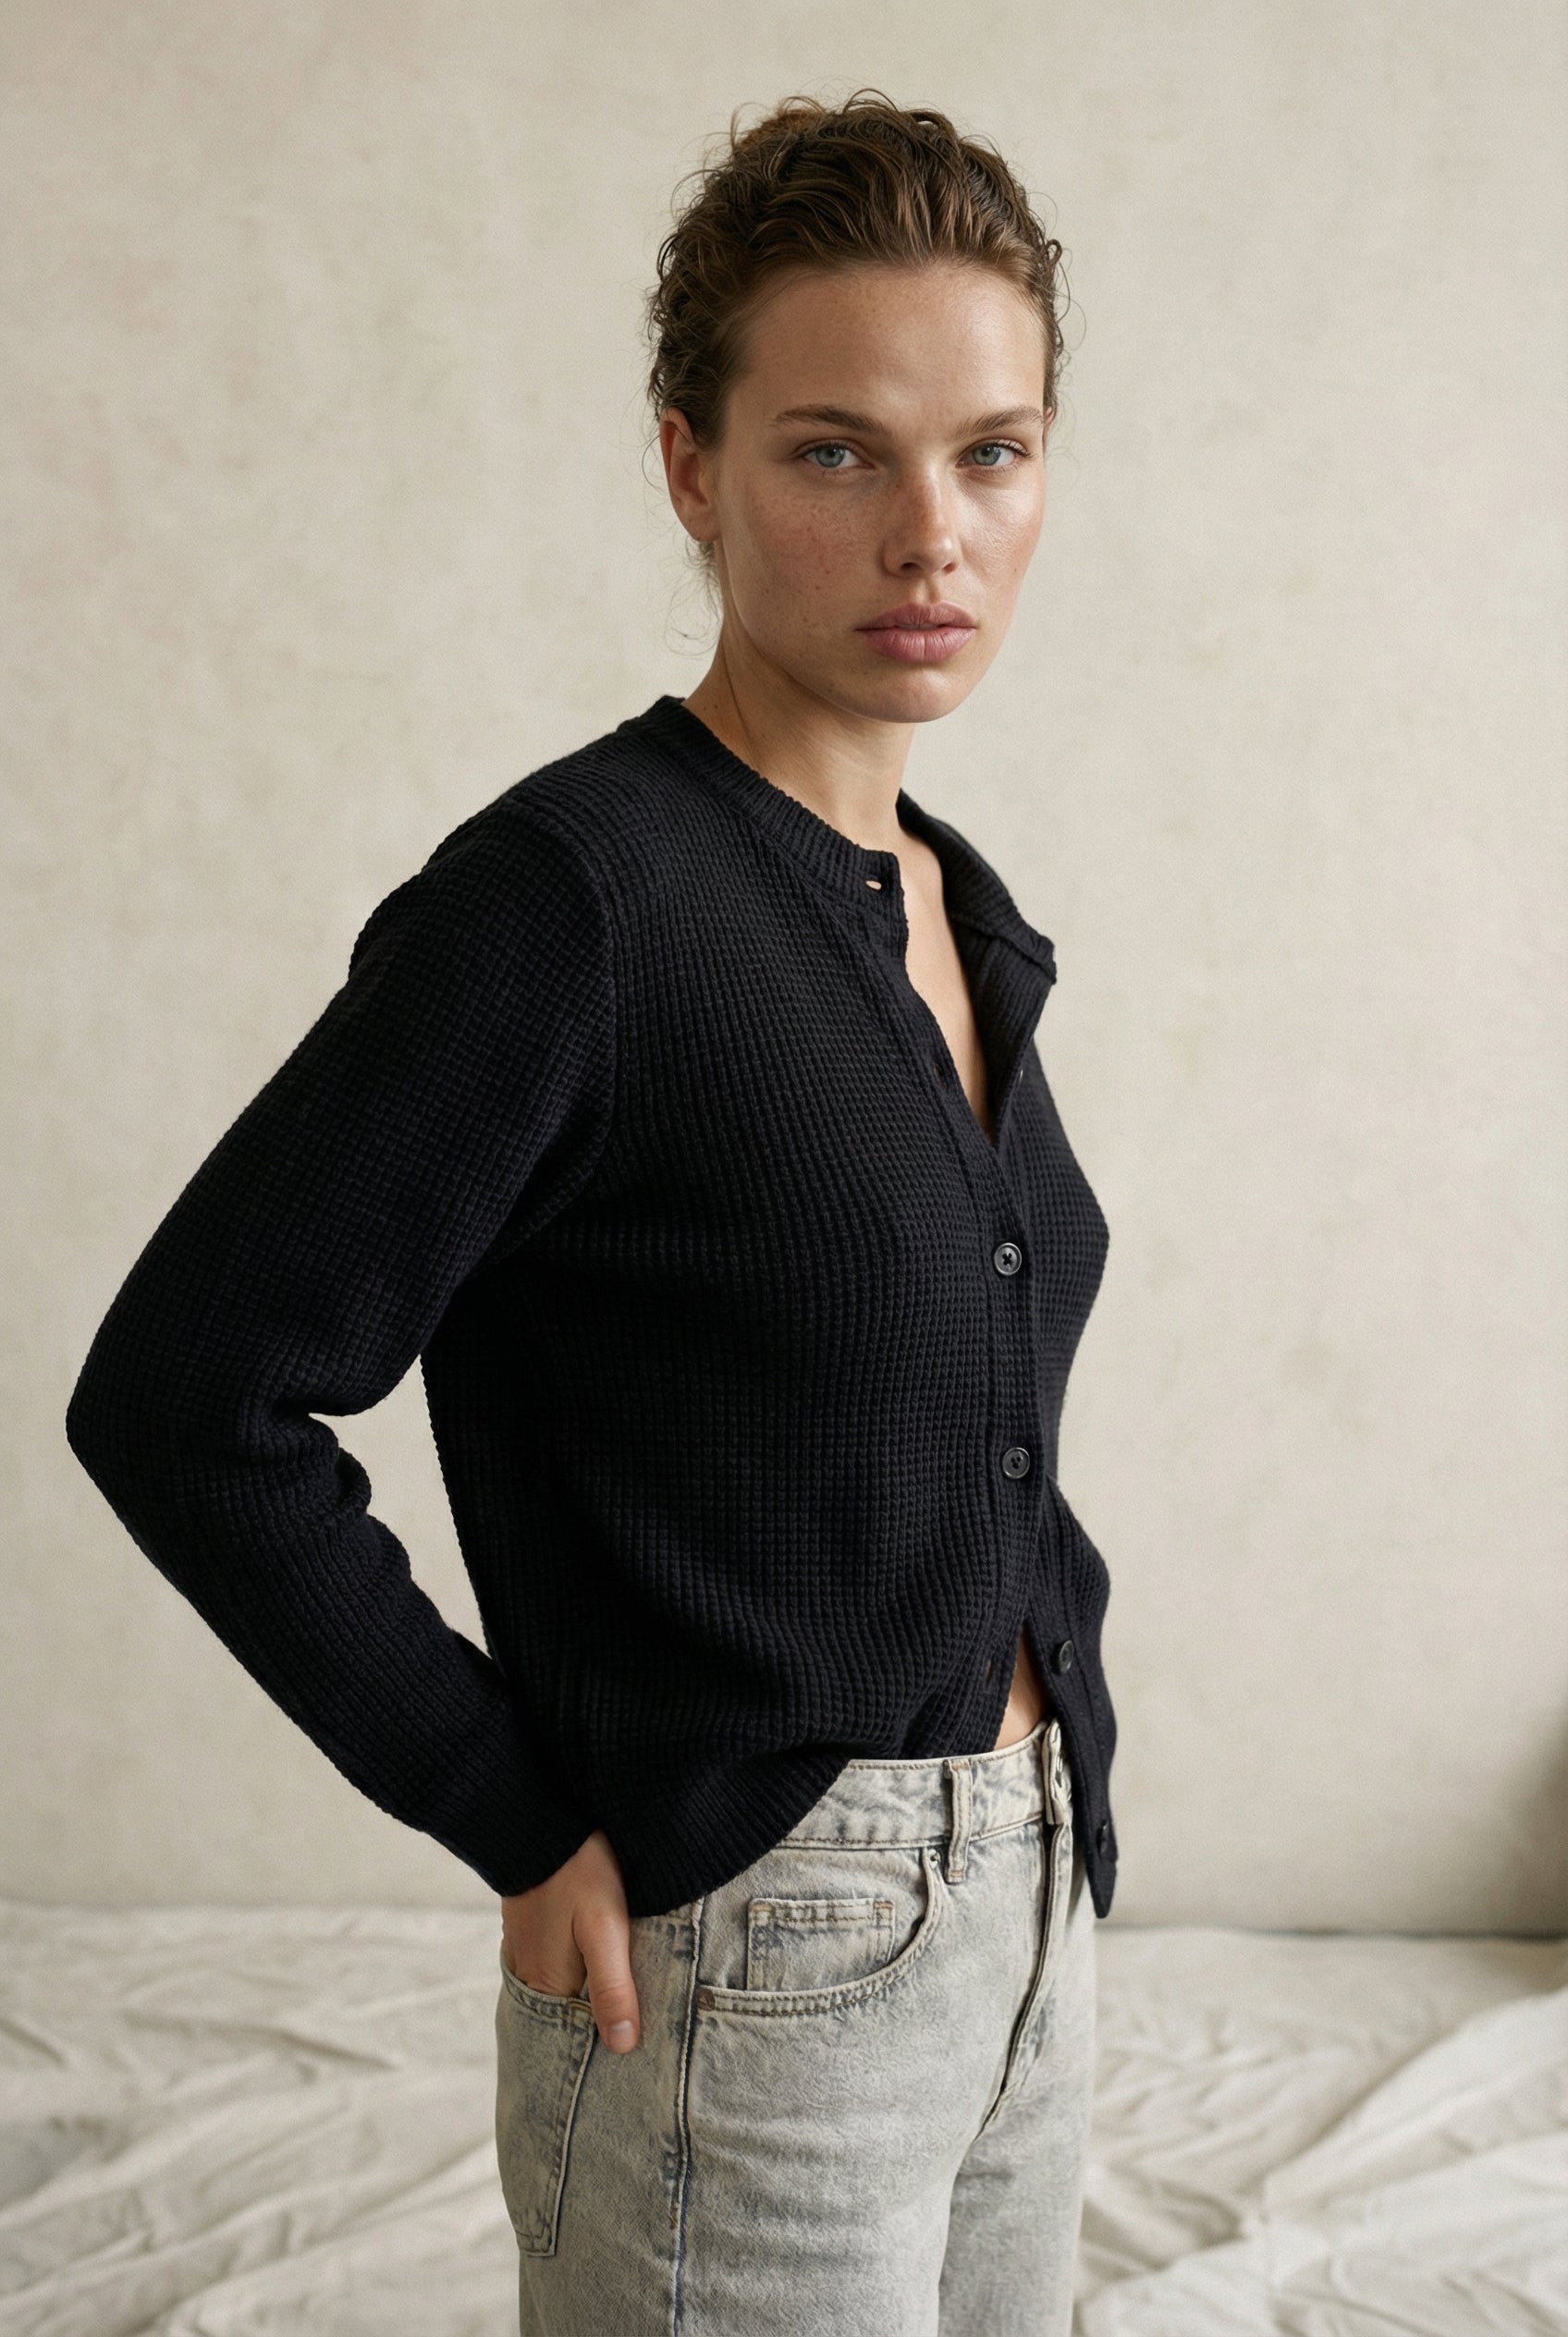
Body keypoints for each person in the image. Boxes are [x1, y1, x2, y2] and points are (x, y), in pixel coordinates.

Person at [66, 89, 1118, 2336]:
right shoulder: (573, 907)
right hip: (751, 1956)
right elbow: (187, 1397)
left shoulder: (956, 906)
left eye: (991, 453)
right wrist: (505, 1806)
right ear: (687, 467)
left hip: (1033, 1922)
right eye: (833, 451)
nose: (927, 532)